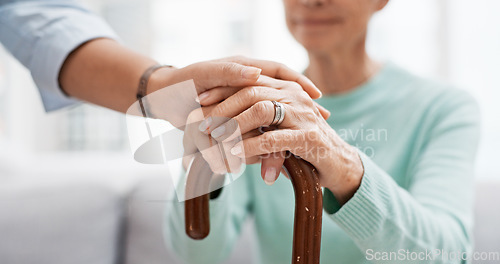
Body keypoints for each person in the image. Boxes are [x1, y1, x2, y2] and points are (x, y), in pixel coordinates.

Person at [164, 0, 481, 263]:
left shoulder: (443, 109)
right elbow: (195, 255)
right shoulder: (257, 108)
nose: (311, 1)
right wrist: (201, 166)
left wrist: (345, 168)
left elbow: (447, 254)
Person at [0, 0, 323, 116]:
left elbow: (39, 13)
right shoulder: (247, 106)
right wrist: (166, 88)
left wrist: (164, 88)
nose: (313, 1)